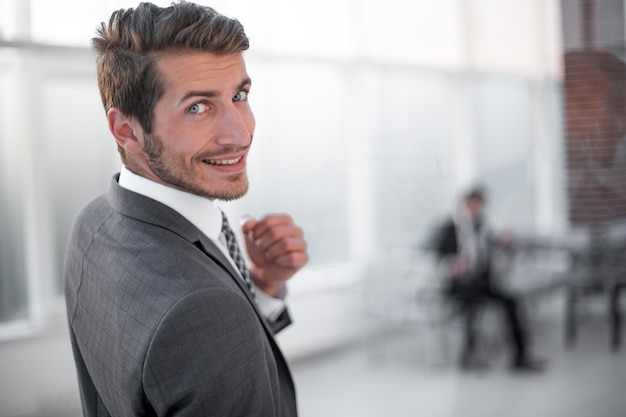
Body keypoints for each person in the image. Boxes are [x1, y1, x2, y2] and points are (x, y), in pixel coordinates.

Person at [64, 2, 308, 416]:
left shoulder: (92, 223)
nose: (240, 132)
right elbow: (200, 329)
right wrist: (229, 308)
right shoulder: (203, 307)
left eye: (239, 95)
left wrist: (261, 289)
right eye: (198, 107)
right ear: (127, 130)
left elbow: (187, 366)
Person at [434, 186, 545, 372]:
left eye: (479, 205)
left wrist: (503, 241)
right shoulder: (449, 228)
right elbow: (439, 259)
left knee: (511, 301)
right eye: (473, 204)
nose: (476, 208)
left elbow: (491, 243)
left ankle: (520, 357)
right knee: (473, 307)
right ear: (465, 204)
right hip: (460, 285)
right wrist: (454, 265)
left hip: (482, 282)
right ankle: (468, 356)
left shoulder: (482, 226)